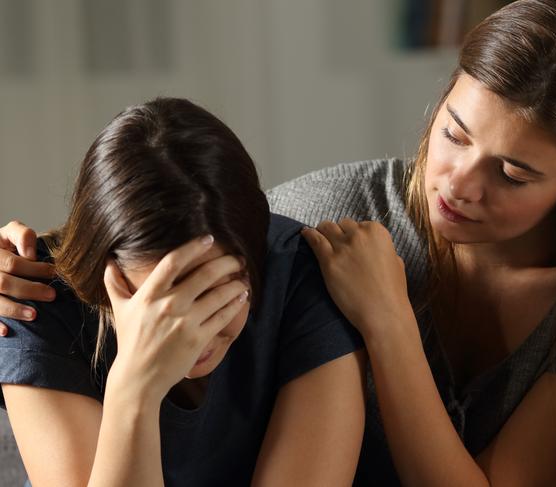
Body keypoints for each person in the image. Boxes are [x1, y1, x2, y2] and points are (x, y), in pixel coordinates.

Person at [1, 0, 556, 485]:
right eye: (454, 133)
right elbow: (172, 218)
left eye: (512, 173)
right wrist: (28, 259)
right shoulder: (325, 220)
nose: (458, 183)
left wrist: (388, 322)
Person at [0, 98, 367, 486]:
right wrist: (135, 387)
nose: (193, 335)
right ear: (103, 272)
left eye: (217, 295)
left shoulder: (303, 276)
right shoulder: (34, 295)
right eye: (160, 305)